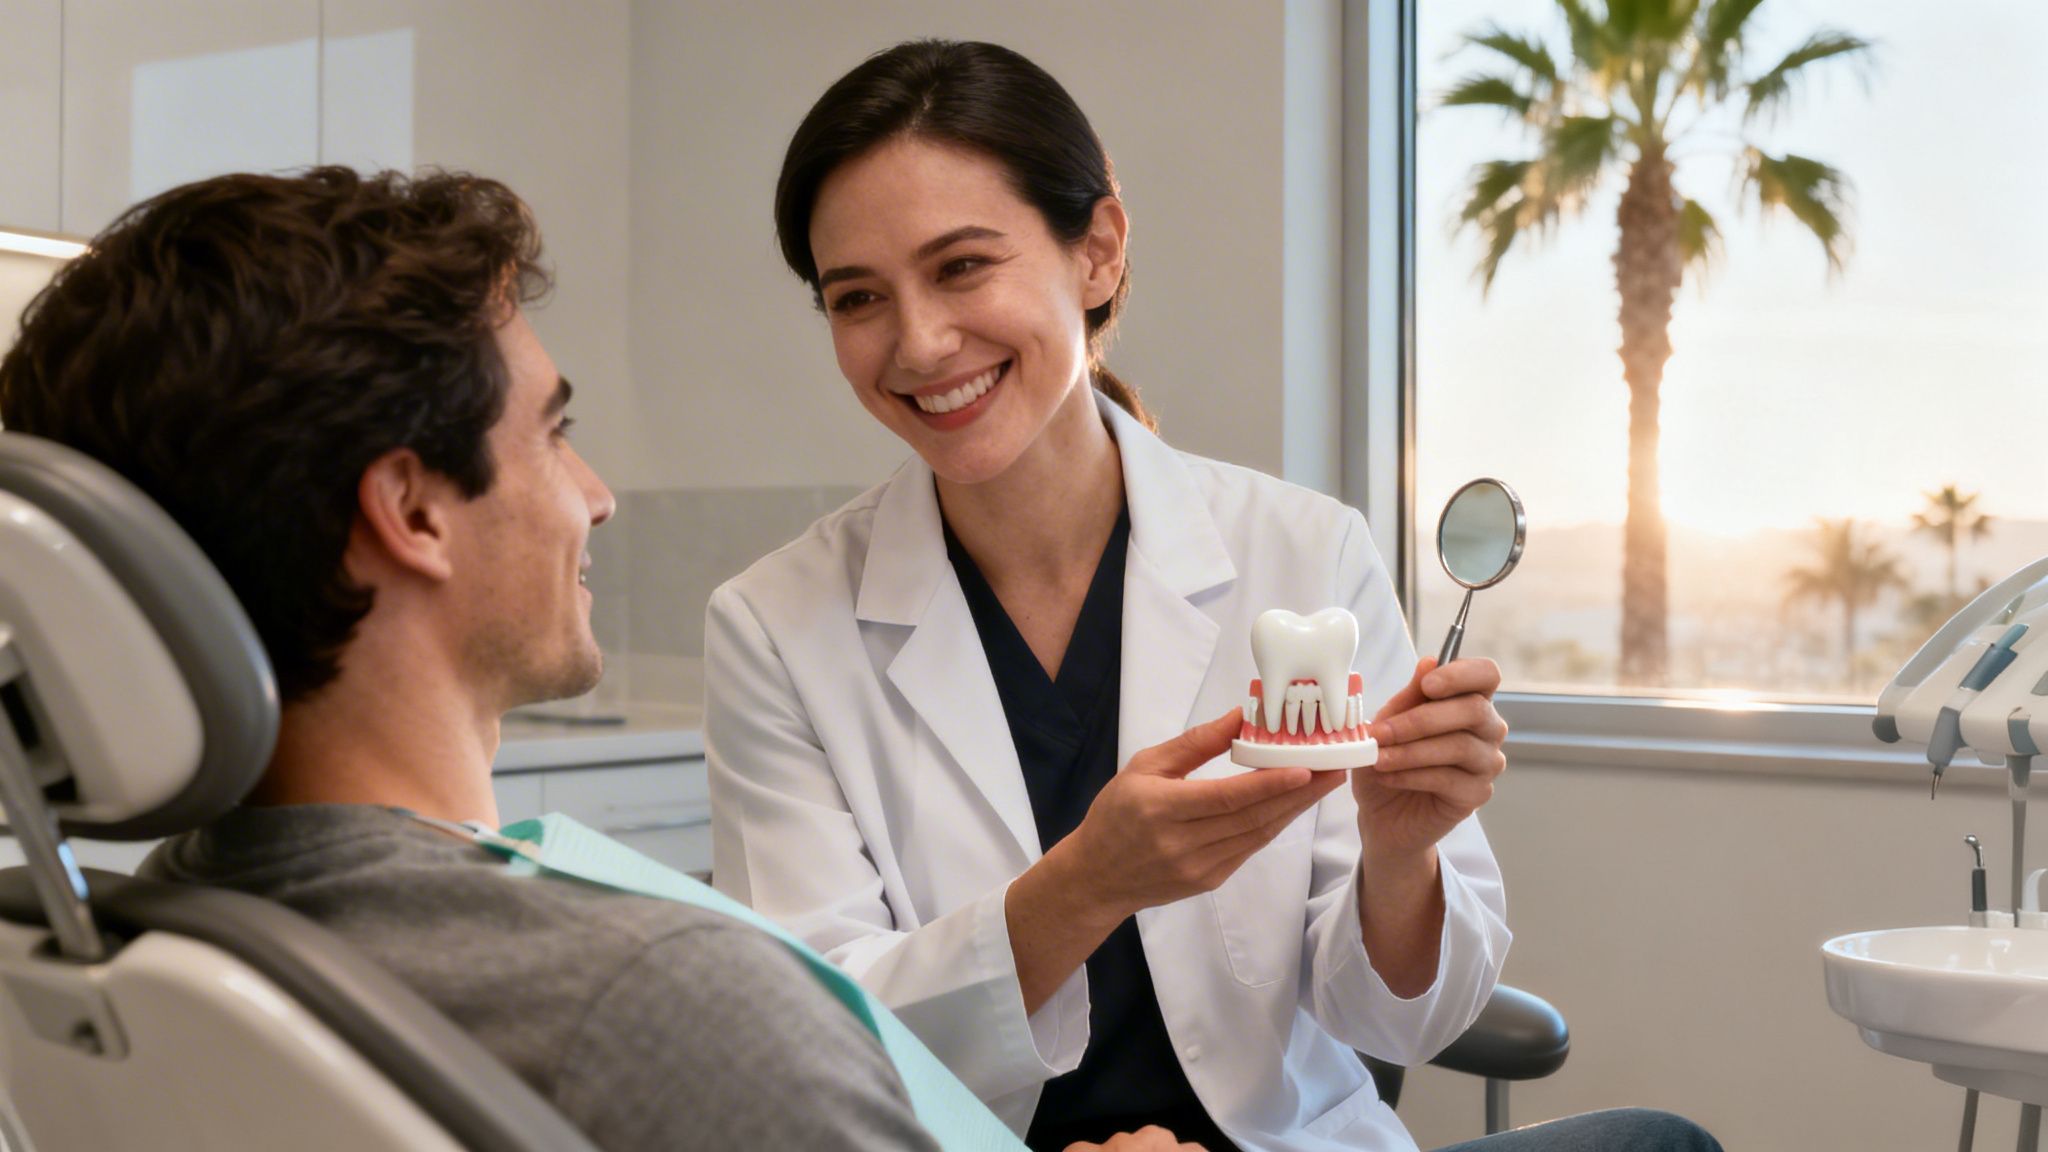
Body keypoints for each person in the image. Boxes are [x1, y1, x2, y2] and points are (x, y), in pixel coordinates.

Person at [0, 167, 1191, 1152]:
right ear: (412, 512)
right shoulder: (660, 1008)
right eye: (554, 433)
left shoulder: (152, 937)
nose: (596, 496)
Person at [707, 39, 1720, 1152]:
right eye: (859, 298)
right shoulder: (774, 628)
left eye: (960, 267)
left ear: (1095, 251)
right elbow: (810, 1047)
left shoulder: (1304, 550)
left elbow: (1404, 1015)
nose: (917, 342)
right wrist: (1083, 887)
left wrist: (1398, 854)